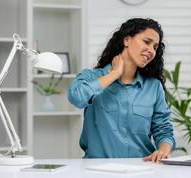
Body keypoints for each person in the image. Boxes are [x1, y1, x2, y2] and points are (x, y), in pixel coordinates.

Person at [68, 18, 175, 163]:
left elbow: (163, 129)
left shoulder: (153, 87)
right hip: (97, 172)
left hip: (143, 170)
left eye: (155, 47)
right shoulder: (91, 77)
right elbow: (76, 97)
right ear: (126, 40)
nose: (151, 50)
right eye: (146, 42)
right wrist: (113, 75)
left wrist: (163, 150)